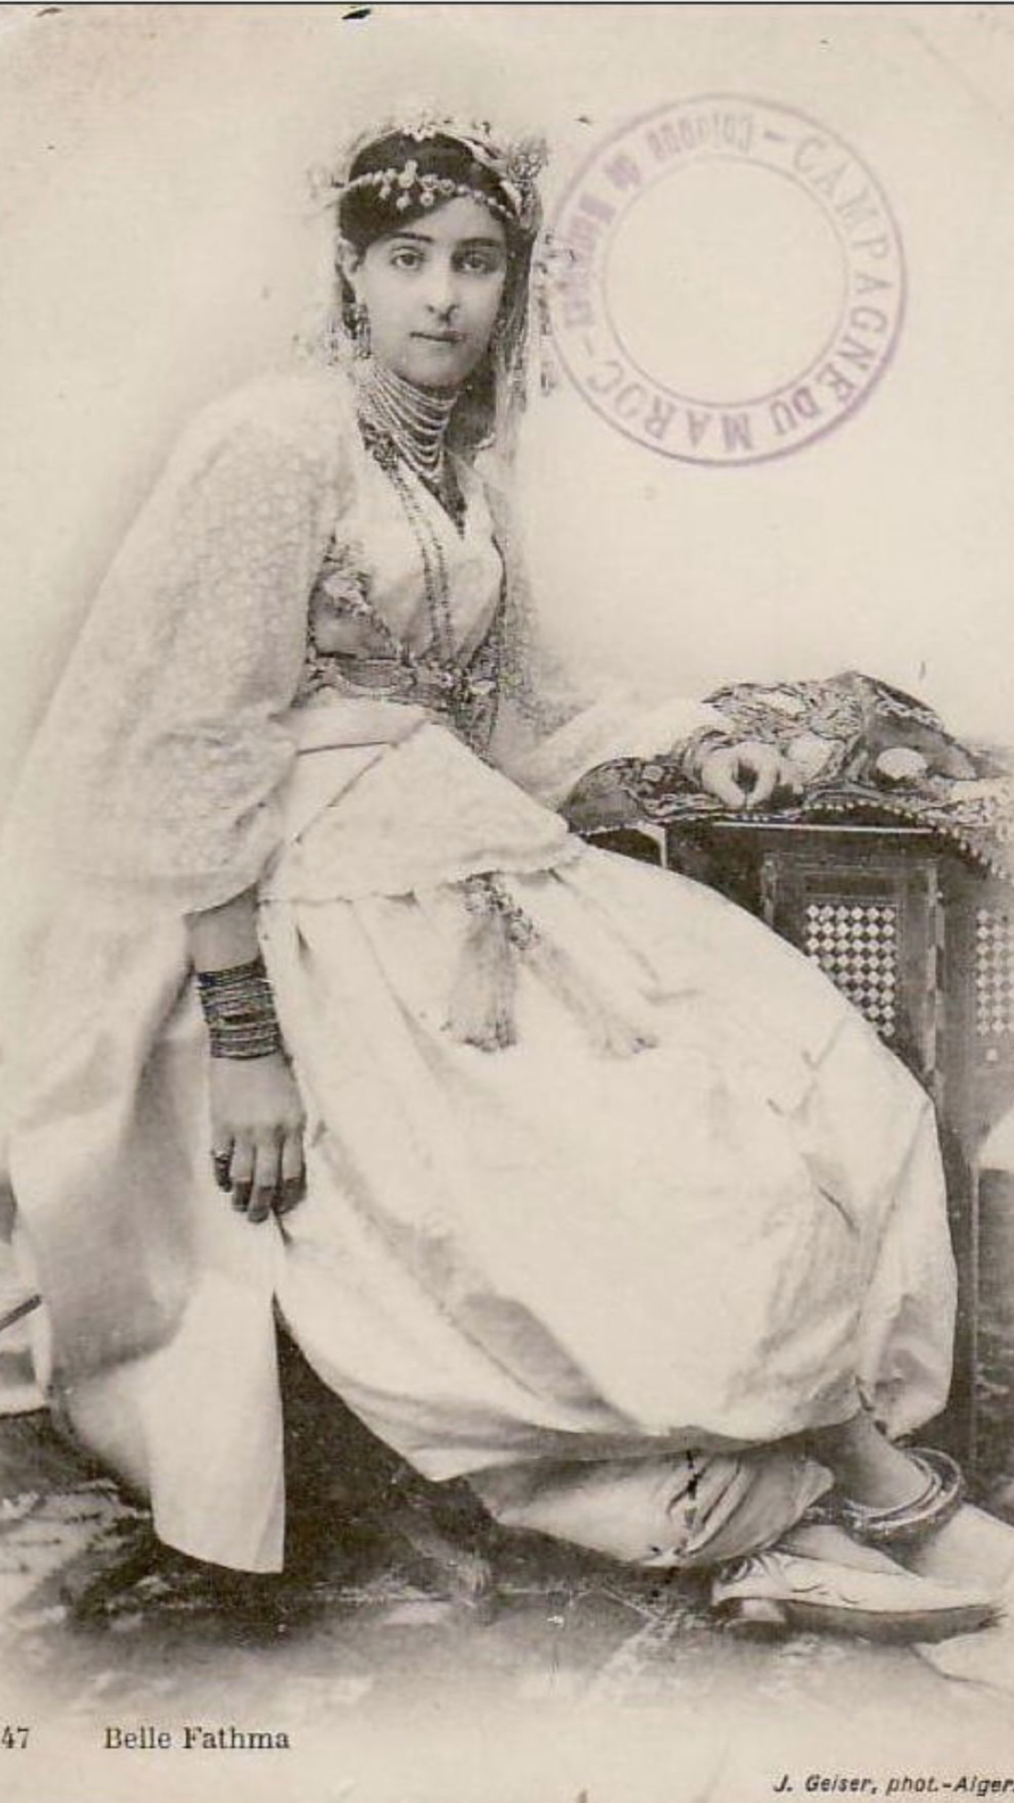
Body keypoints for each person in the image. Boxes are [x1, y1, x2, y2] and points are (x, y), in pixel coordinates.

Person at [0, 117, 997, 1643]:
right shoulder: (274, 441)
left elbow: (506, 714)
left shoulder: (457, 467)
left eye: (475, 263)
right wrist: (245, 1035)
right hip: (312, 902)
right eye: (406, 258)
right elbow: (194, 748)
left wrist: (684, 753)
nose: (441, 296)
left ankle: (793, 1501)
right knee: (606, 1154)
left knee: (786, 1076)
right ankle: (849, 1496)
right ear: (347, 272)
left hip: (461, 855)